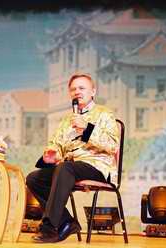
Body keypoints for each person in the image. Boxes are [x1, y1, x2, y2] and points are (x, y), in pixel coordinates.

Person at [26, 73, 119, 243]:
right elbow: (57, 145)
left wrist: (87, 129)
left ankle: (49, 228)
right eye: (73, 89)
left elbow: (113, 145)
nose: (77, 92)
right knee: (34, 178)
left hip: (97, 165)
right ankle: (67, 222)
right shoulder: (66, 120)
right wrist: (52, 155)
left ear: (93, 91)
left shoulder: (105, 114)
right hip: (70, 167)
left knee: (65, 168)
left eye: (82, 88)